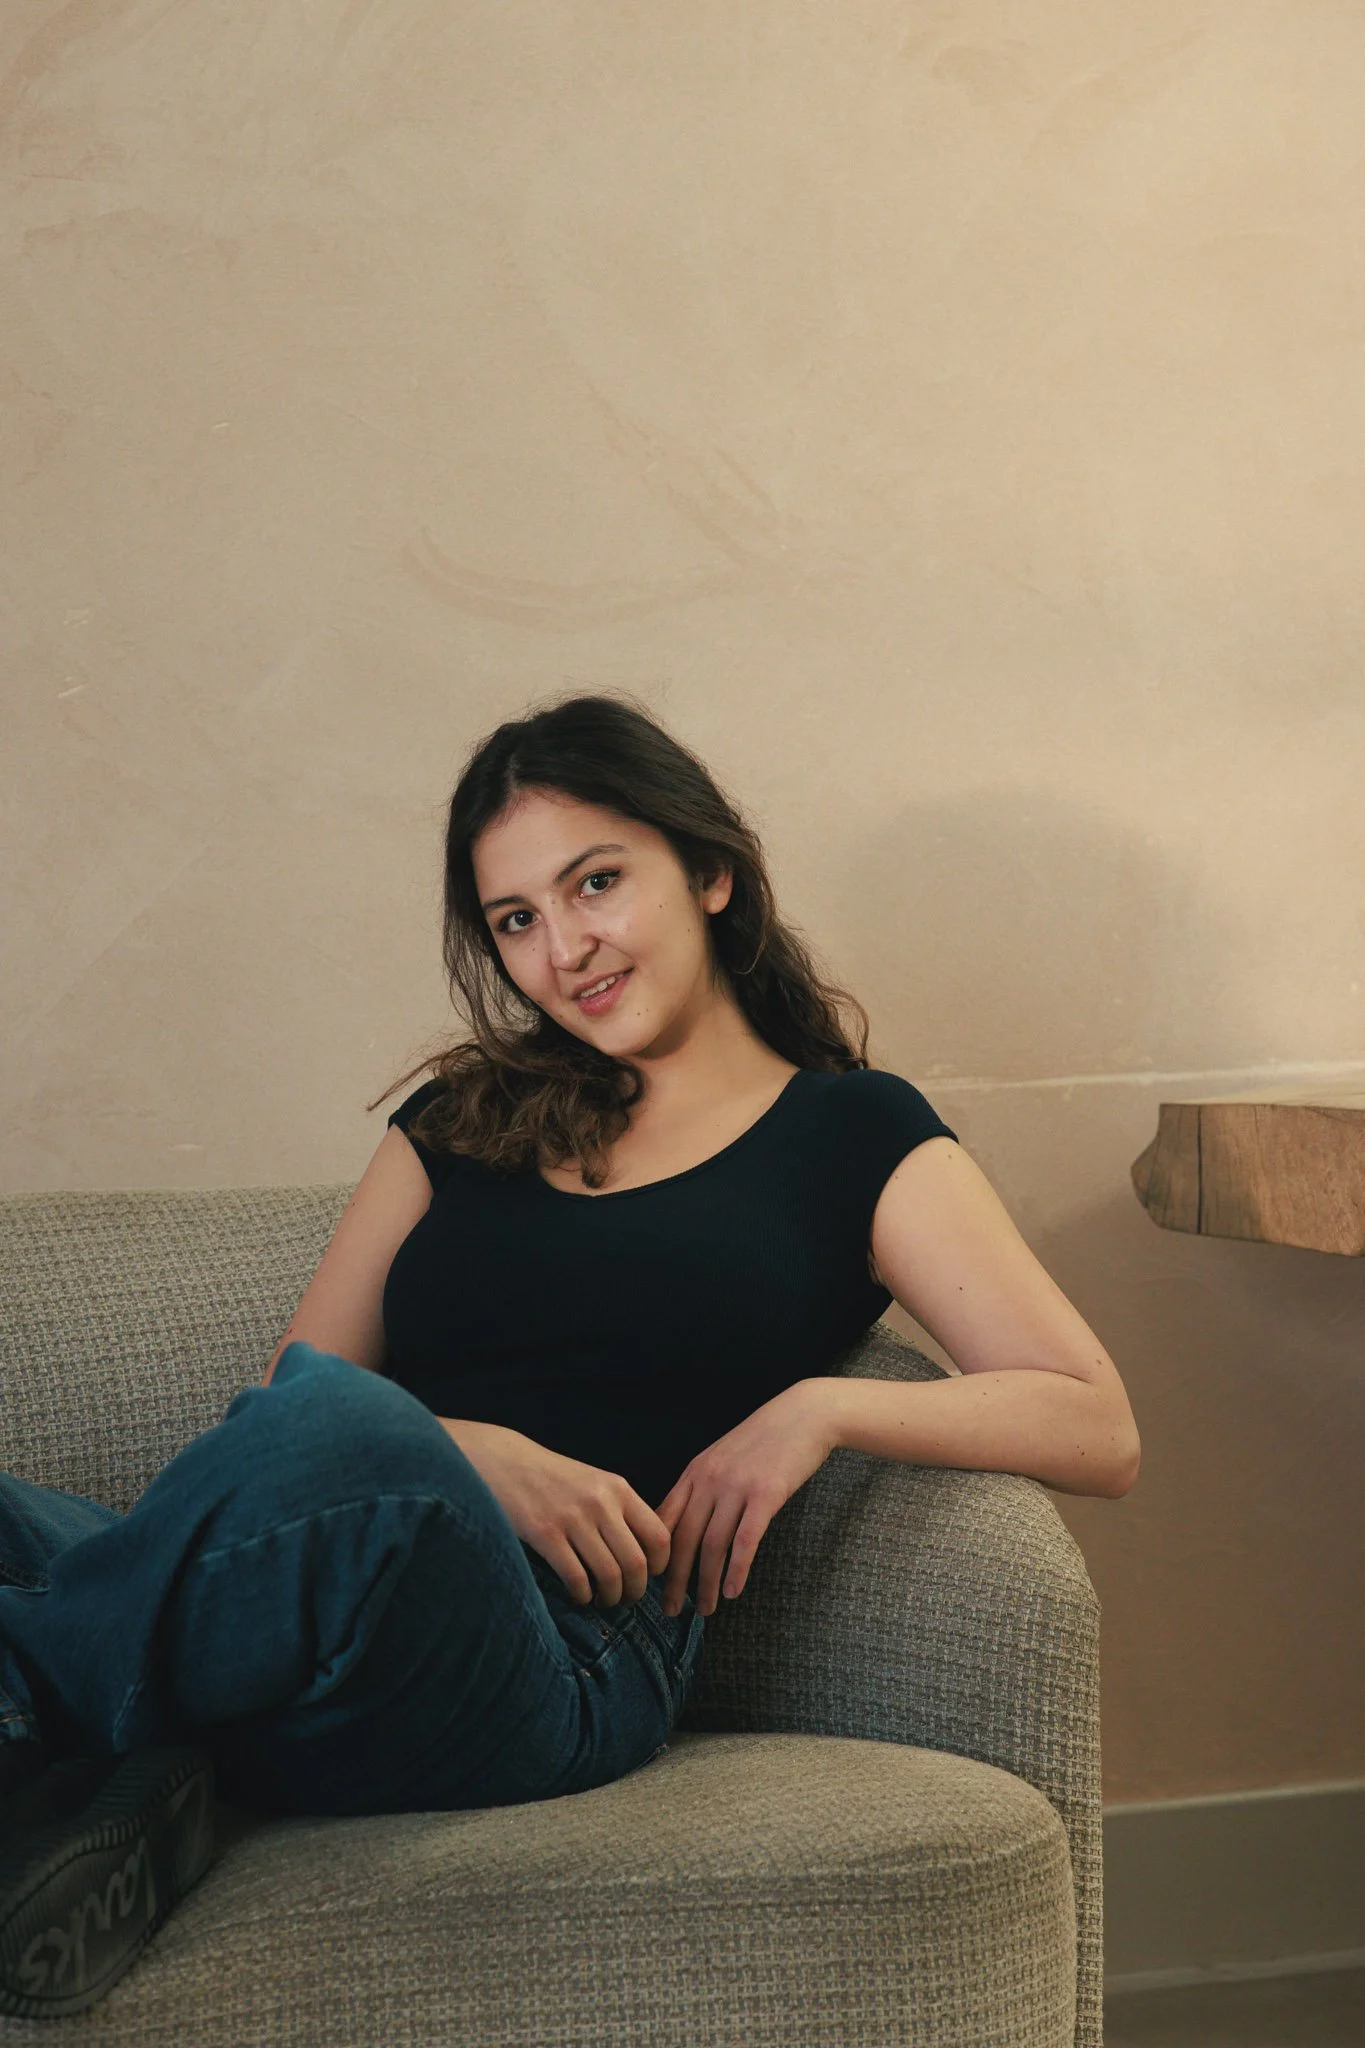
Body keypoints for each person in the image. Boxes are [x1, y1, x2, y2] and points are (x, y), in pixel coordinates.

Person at [0, 691, 1141, 2018]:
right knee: (322, 1438)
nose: (564, 949)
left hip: (560, 1655)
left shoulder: (850, 1136)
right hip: (331, 1622)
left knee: (354, 1439)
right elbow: (282, 1398)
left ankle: (53, 1728)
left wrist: (820, 1409)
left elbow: (1097, 1422)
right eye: (516, 920)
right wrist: (475, 1457)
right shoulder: (457, 1118)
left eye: (596, 882)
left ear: (709, 871)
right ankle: (128, 1784)